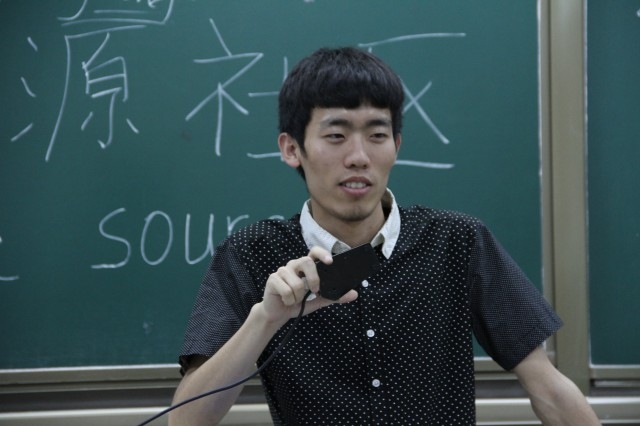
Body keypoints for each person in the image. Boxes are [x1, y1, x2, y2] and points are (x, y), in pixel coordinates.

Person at [170, 47, 599, 425]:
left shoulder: (457, 242)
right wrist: (266, 318)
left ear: (396, 145)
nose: (359, 157)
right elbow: (187, 420)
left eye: (377, 135)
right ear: (291, 149)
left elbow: (548, 388)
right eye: (336, 136)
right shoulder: (252, 253)